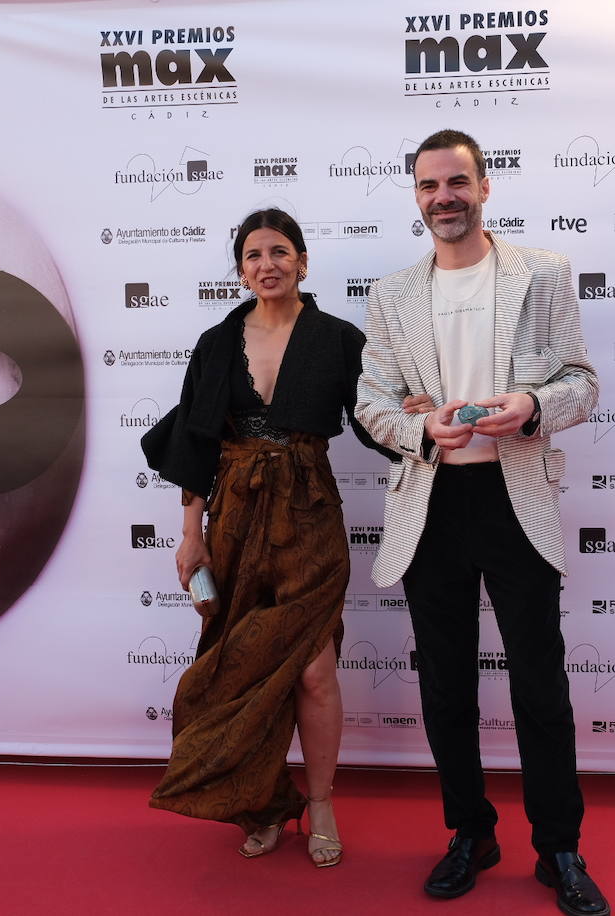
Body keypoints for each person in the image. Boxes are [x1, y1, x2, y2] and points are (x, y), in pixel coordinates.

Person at [354, 130, 610, 915]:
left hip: (515, 496)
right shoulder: (392, 293)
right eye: (430, 186)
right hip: (431, 503)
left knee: (540, 682)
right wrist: (417, 428)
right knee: (445, 688)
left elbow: (583, 382)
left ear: (485, 186)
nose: (445, 197)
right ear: (417, 196)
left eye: (457, 181)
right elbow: (371, 403)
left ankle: (558, 846)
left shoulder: (543, 274)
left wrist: (533, 405)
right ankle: (470, 831)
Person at [142, 208, 416, 867]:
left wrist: (416, 417)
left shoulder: (337, 339)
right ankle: (261, 803)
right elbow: (196, 442)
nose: (267, 264)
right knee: (240, 669)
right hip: (232, 520)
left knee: (315, 671)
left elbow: (375, 419)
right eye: (253, 255)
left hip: (308, 510)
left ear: (302, 261)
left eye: (280, 251)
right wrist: (190, 536)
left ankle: (319, 802)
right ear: (241, 269)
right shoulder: (216, 343)